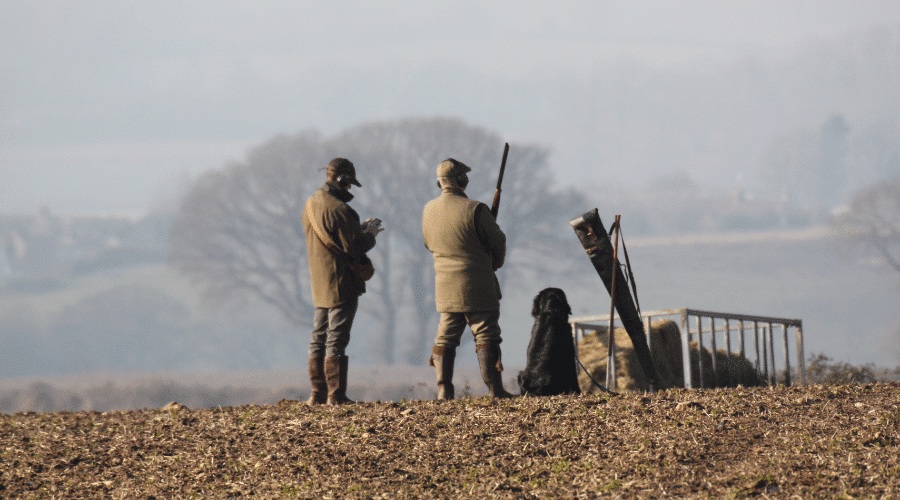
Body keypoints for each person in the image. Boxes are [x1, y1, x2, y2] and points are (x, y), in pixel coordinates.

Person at [422, 158, 514, 400]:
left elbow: (428, 244)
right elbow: (499, 242)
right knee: (486, 334)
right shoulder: (476, 209)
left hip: (444, 287)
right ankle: (495, 389)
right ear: (461, 180)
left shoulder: (428, 209)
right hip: (479, 285)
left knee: (445, 337)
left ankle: (444, 390)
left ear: (439, 183)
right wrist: (494, 263)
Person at [302, 158, 383, 405]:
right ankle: (336, 395)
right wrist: (369, 234)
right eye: (349, 184)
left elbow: (334, 237)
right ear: (342, 180)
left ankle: (317, 394)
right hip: (341, 281)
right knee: (336, 337)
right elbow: (355, 248)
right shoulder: (341, 210)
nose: (349, 189)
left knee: (318, 336)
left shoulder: (310, 204)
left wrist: (355, 230)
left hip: (319, 281)